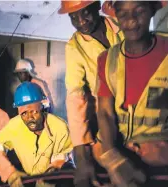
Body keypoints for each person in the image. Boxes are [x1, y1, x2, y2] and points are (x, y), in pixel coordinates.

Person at [97, 1, 168, 187]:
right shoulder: (107, 60)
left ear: (153, 10)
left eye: (139, 12)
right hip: (120, 151)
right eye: (123, 14)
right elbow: (104, 113)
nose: (131, 22)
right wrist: (114, 159)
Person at [58, 0, 124, 186]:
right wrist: (81, 152)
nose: (81, 21)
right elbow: (75, 94)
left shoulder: (121, 24)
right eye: (73, 17)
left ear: (97, 6)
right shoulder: (74, 47)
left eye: (85, 12)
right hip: (106, 117)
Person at [0, 82, 73, 187]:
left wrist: (51, 174)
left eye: (34, 112)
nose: (29, 118)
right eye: (24, 113)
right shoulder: (15, 125)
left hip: (57, 179)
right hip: (30, 178)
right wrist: (9, 173)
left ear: (42, 107)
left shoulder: (59, 127)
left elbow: (61, 159)